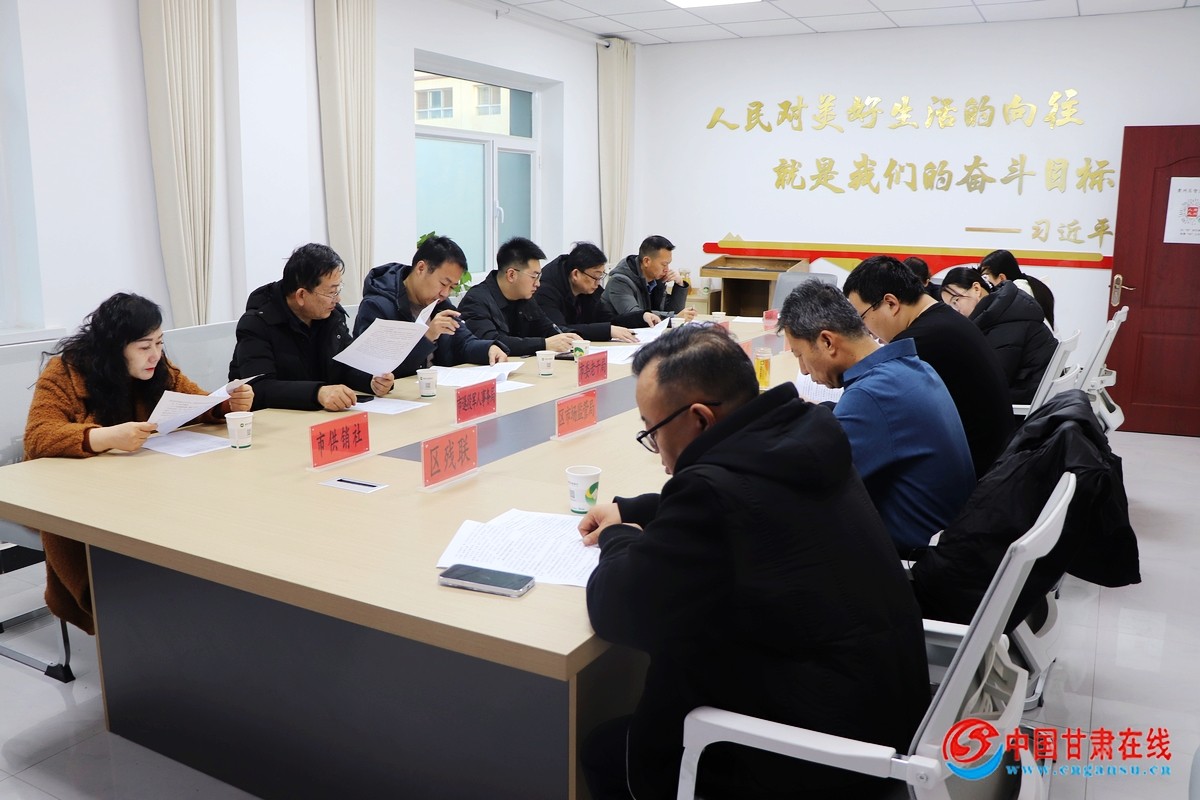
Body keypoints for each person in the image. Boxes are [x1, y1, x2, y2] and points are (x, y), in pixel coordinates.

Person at [579, 325, 929, 800]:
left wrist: (618, 537)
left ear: (699, 419)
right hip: (883, 711)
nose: (656, 448)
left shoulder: (713, 496)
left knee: (605, 751)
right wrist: (636, 509)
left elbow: (616, 608)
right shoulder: (805, 437)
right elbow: (746, 503)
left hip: (821, 756)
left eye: (652, 431)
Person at [24, 292, 254, 635]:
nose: (155, 355)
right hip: (79, 497)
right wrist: (105, 437)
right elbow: (38, 435)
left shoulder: (158, 368)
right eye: (144, 346)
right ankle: (122, 623)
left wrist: (226, 404)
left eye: (159, 343)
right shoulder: (65, 371)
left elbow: (193, 402)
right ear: (114, 347)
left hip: (141, 489)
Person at [778, 280, 975, 553]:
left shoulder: (870, 396)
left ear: (827, 341)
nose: (803, 370)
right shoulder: (909, 368)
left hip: (910, 561)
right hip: (946, 539)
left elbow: (811, 487)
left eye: (800, 355)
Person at [843, 255, 1014, 479]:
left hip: (975, 478)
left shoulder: (919, 343)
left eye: (862, 318)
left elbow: (875, 411)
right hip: (996, 464)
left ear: (891, 303)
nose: (867, 332)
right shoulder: (945, 321)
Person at [228, 243, 394, 411]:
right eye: (331, 292)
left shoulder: (331, 316)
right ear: (301, 295)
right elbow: (259, 387)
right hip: (275, 420)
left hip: (321, 416)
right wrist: (317, 393)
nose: (337, 299)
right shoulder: (257, 324)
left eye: (338, 290)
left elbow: (344, 365)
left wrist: (371, 380)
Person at [353, 235, 506, 376]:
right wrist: (428, 337)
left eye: (452, 287)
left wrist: (488, 349)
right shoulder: (377, 306)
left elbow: (464, 342)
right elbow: (373, 370)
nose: (445, 293)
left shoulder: (439, 303)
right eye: (443, 283)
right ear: (421, 268)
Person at [940, 266, 1058, 405]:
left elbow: (994, 381)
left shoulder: (1002, 319)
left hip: (1027, 401)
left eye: (955, 301)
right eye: (950, 307)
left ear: (976, 289)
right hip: (1035, 392)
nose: (955, 311)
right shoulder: (1002, 308)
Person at [457, 236, 581, 356]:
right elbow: (491, 342)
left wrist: (569, 336)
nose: (538, 284)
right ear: (511, 275)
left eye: (539, 277)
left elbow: (547, 328)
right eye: (534, 276)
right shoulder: (476, 300)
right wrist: (543, 344)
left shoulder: (525, 297)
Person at [534, 242, 644, 342]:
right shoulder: (545, 290)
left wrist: (641, 317)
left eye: (601, 276)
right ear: (575, 274)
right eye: (595, 276)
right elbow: (559, 330)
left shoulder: (588, 289)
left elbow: (607, 320)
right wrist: (607, 330)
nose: (598, 283)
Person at [600, 235, 697, 324]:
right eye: (664, 264)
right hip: (616, 335)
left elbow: (673, 313)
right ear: (646, 261)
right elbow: (635, 315)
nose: (667, 269)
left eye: (668, 264)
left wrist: (679, 285)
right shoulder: (619, 281)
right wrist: (673, 317)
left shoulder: (655, 280)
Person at [980, 249, 1056, 329]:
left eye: (986, 277)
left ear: (1002, 278)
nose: (985, 283)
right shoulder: (1030, 285)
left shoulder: (1018, 293)